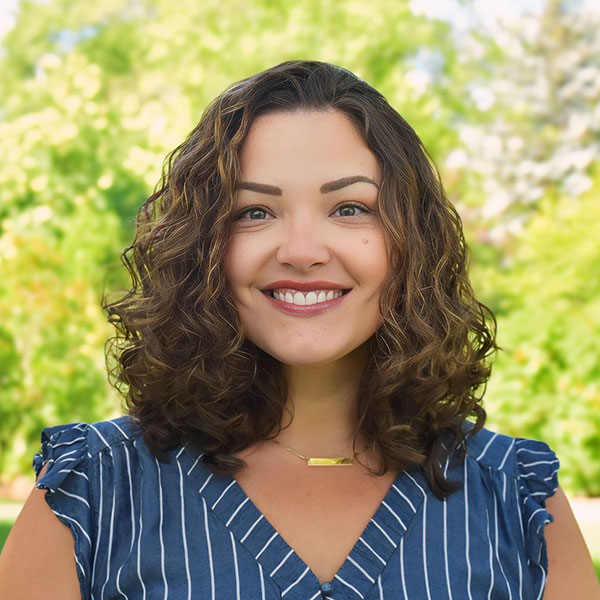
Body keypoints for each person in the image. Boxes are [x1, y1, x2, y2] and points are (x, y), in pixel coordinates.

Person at [0, 60, 598, 600]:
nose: (303, 251)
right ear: (202, 247)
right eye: (254, 212)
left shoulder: (518, 501)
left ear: (411, 242)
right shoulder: (93, 493)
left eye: (350, 209)